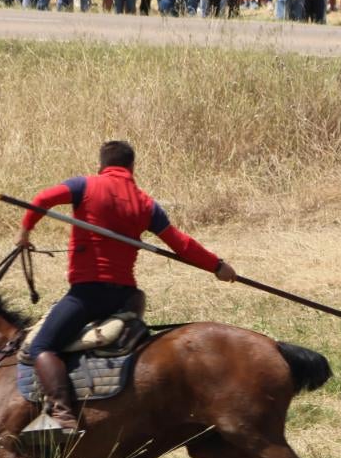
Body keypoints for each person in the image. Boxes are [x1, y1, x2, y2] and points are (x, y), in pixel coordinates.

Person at [15, 140, 236, 436]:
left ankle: (62, 415)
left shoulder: (84, 186)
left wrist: (24, 233)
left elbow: (42, 199)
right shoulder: (145, 204)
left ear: (101, 166)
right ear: (132, 168)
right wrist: (217, 266)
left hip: (89, 295)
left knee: (43, 345)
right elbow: (181, 244)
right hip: (126, 297)